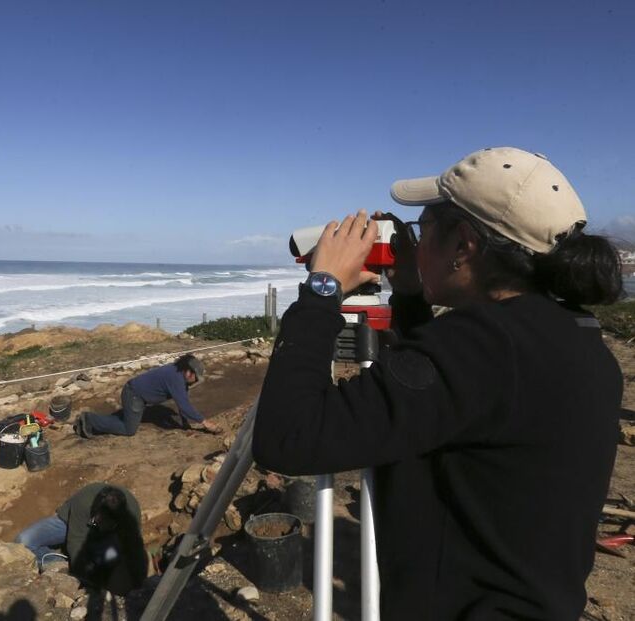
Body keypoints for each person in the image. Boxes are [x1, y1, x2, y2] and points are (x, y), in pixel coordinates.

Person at [253, 147, 623, 620]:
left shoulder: (481, 346)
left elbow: (289, 436)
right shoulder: (573, 335)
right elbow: (441, 398)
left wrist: (322, 288)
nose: (412, 242)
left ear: (463, 245)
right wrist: (411, 293)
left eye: (421, 230)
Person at [14, 483, 148, 595]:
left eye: (107, 523)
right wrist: (83, 575)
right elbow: (76, 540)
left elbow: (134, 550)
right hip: (73, 523)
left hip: (107, 539)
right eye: (100, 520)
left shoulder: (130, 517)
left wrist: (137, 584)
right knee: (23, 542)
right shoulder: (85, 500)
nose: (102, 525)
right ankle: (59, 563)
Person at [77, 354, 220, 437]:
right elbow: (184, 405)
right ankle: (89, 419)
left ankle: (98, 420)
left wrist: (185, 424)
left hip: (138, 395)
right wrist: (205, 422)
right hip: (133, 395)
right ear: (189, 372)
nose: (196, 381)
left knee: (126, 420)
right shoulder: (175, 378)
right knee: (128, 429)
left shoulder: (179, 375)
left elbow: (183, 401)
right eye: (196, 378)